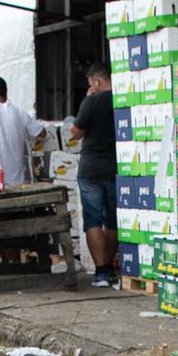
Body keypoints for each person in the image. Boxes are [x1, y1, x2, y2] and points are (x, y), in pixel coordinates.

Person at [66, 63, 119, 288]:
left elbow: (75, 133)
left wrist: (87, 101)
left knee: (93, 220)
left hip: (90, 168)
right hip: (115, 166)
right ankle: (109, 265)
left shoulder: (92, 100)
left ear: (96, 82)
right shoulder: (121, 99)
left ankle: (101, 272)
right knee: (113, 221)